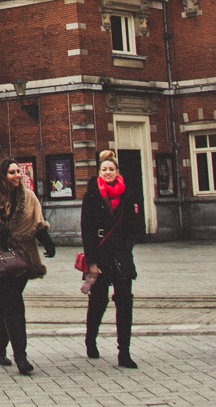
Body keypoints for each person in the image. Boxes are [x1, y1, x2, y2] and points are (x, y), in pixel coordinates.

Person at [0, 157, 53, 375]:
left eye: (18, 172)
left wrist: (48, 242)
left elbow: (37, 220)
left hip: (23, 259)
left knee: (7, 303)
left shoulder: (28, 196)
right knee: (15, 304)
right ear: (2, 175)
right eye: (12, 172)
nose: (17, 176)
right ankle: (21, 357)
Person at [81, 149, 142, 369]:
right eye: (104, 169)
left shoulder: (128, 195)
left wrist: (127, 247)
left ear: (118, 172)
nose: (108, 172)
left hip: (122, 256)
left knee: (125, 302)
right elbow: (86, 229)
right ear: (99, 172)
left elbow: (134, 227)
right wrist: (92, 262)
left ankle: (123, 352)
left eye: (111, 169)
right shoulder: (91, 195)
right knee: (98, 302)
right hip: (100, 255)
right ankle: (91, 339)